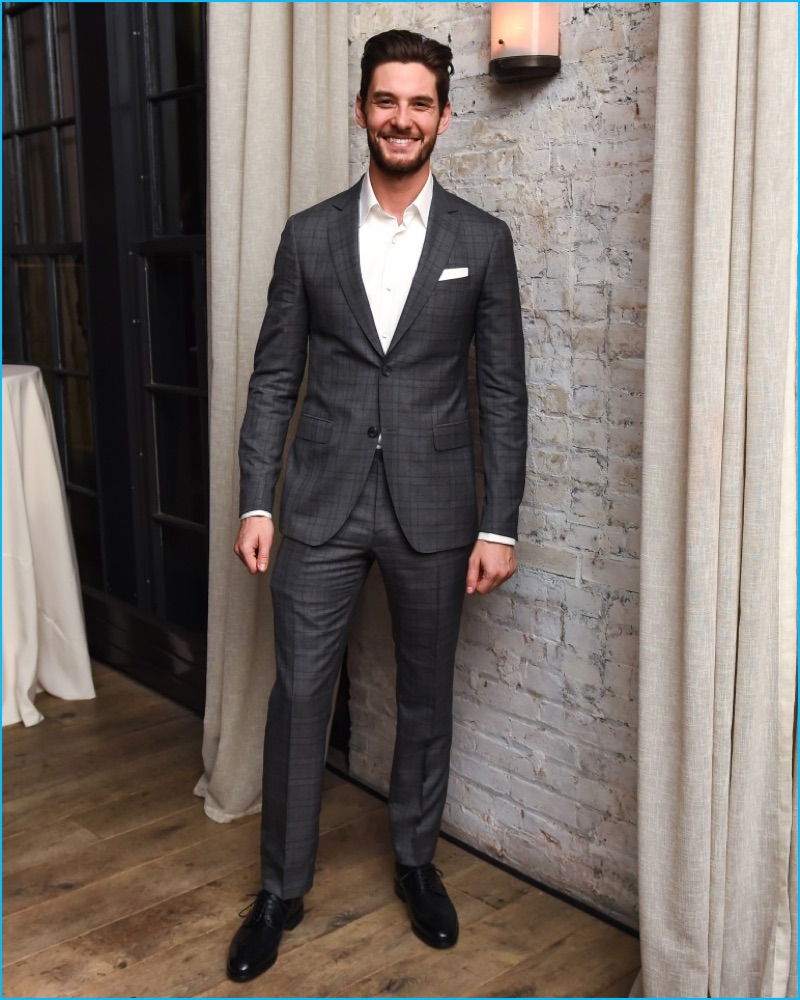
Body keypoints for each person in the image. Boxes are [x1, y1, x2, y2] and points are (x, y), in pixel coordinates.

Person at [227, 29, 528, 982]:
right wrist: (254, 501)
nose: (402, 119)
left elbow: (503, 393)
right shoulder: (308, 234)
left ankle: (414, 862)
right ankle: (280, 887)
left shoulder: (482, 241)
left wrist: (499, 520)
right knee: (301, 697)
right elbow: (275, 375)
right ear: (360, 109)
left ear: (444, 114)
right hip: (316, 503)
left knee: (426, 700)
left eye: (421, 103)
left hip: (437, 510)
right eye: (385, 101)